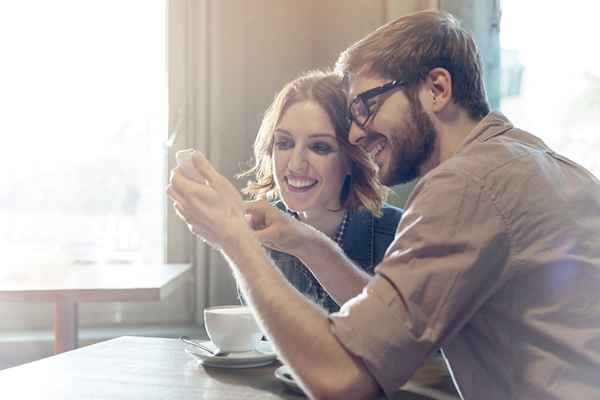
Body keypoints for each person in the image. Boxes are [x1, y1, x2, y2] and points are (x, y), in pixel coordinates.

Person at [167, 10, 600, 400]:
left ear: (437, 88)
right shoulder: (531, 163)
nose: (355, 134)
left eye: (367, 105)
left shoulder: (464, 184)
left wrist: (233, 237)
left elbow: (343, 379)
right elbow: (393, 327)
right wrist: (305, 242)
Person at [238, 70, 402, 313]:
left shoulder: (400, 235)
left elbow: (400, 332)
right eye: (284, 143)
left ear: (352, 158)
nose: (295, 165)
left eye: (319, 147)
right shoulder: (259, 232)